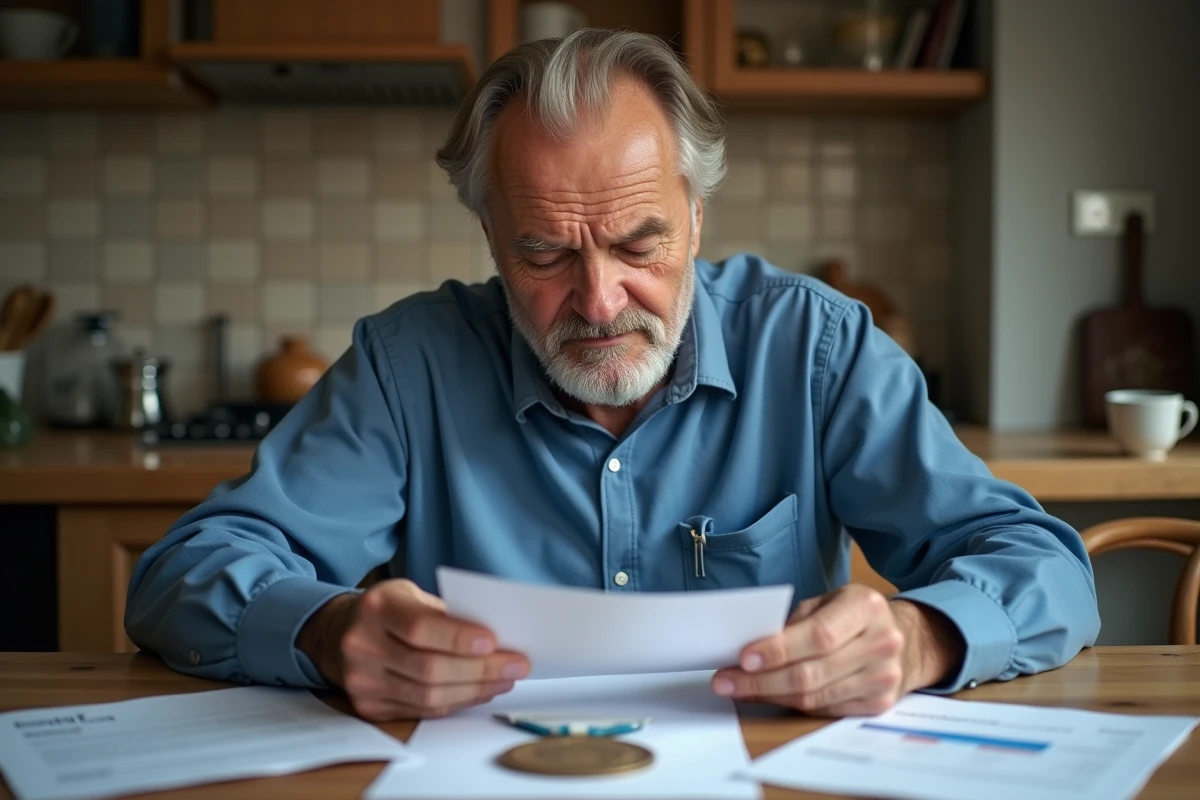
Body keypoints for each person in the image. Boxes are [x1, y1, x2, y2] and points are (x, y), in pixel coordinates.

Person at [126, 29, 1100, 721]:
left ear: (698, 219)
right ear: (491, 238)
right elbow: (180, 574)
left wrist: (923, 635)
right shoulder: (408, 364)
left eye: (641, 244)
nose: (599, 301)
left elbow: (1045, 566)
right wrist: (328, 631)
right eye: (545, 253)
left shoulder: (815, 347)